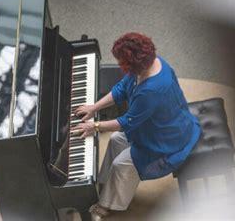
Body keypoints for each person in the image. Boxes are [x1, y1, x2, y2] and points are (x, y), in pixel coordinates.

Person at [71, 32, 201, 220]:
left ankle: (106, 205)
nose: (118, 65)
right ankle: (104, 183)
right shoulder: (149, 65)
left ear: (133, 64)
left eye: (121, 61)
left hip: (166, 137)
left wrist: (95, 126)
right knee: (116, 140)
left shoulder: (152, 90)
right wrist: (94, 107)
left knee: (122, 165)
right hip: (154, 124)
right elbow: (121, 89)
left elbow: (127, 121)